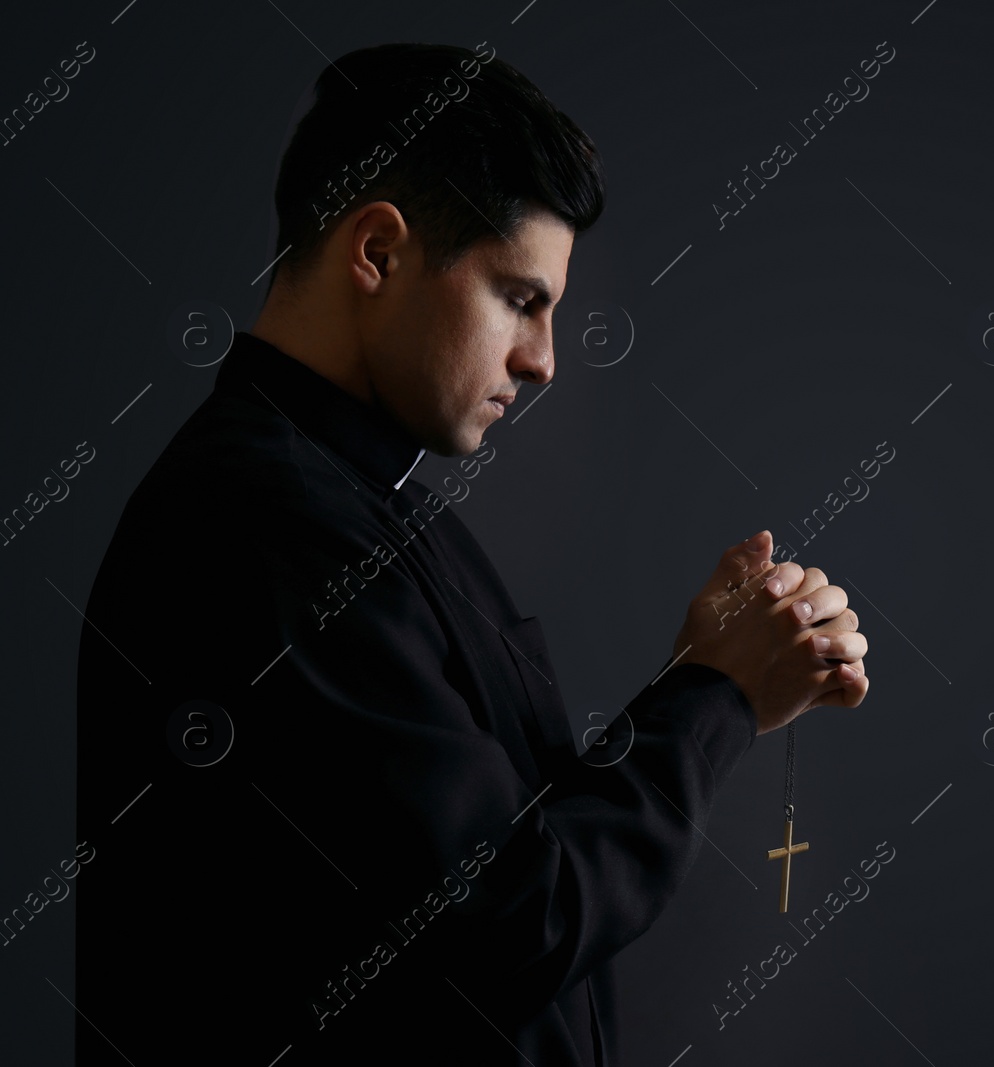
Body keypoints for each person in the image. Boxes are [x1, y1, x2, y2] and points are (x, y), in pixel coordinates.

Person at [74, 42, 869, 1065]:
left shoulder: (371, 515)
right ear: (378, 252)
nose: (540, 361)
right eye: (520, 298)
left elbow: (518, 856)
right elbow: (506, 916)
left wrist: (705, 671)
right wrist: (716, 696)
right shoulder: (265, 526)